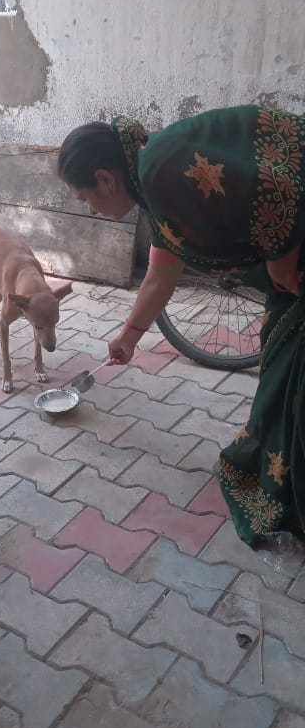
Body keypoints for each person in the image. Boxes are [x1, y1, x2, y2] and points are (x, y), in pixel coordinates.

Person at [57, 106, 305, 547]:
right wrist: (128, 338)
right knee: (282, 363)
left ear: (105, 180)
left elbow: (279, 190)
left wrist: (282, 265)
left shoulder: (161, 168)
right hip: (292, 258)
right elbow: (160, 273)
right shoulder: (152, 183)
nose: (91, 209)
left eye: (85, 198)